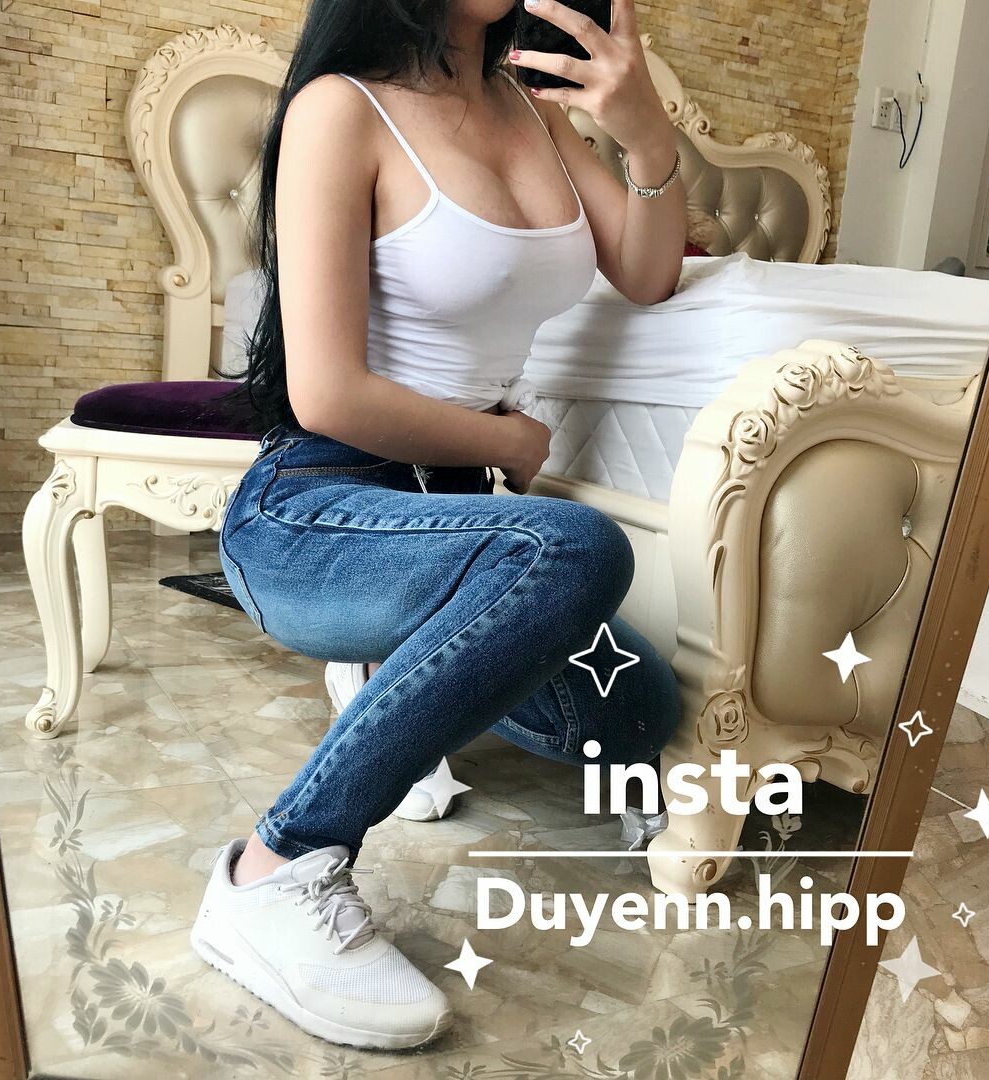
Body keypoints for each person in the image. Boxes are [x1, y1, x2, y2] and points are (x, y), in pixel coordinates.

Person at [193, 0, 688, 1050]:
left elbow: (648, 275)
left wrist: (646, 136)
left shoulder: (533, 109)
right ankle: (274, 867)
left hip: (455, 517)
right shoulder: (342, 109)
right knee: (576, 550)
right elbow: (326, 391)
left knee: (637, 712)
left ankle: (396, 660)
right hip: (316, 506)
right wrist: (503, 439)